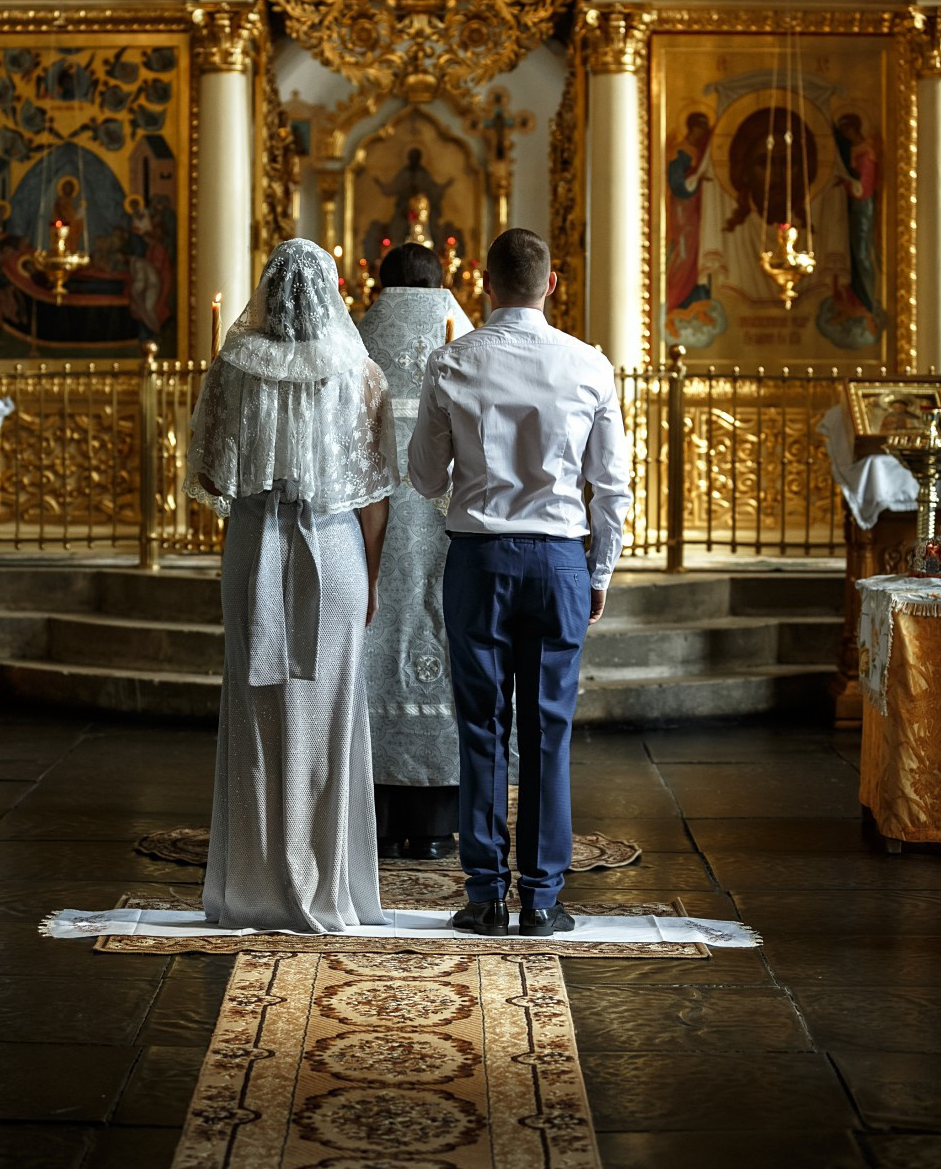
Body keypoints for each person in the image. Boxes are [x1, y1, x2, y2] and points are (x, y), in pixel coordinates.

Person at [408, 228, 632, 939]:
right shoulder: (590, 365)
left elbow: (421, 476)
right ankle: (540, 898)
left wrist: (473, 479)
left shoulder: (452, 361)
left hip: (478, 557)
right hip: (560, 560)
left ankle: (483, 895)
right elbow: (612, 490)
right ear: (551, 283)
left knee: (479, 727)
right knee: (547, 730)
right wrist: (598, 573)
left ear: (483, 282)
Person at [184, 239, 399, 933]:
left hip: (255, 549)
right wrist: (368, 576)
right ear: (332, 293)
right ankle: (331, 886)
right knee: (331, 710)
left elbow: (212, 478)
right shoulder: (358, 372)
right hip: (333, 551)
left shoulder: (231, 369)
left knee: (256, 709)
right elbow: (374, 492)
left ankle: (254, 888)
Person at [357, 241, 476, 860]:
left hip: (365, 531)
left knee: (373, 646)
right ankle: (436, 824)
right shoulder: (470, 341)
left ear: (378, 283)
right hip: (453, 530)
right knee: (445, 649)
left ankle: (372, 815)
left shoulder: (353, 340)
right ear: (443, 282)